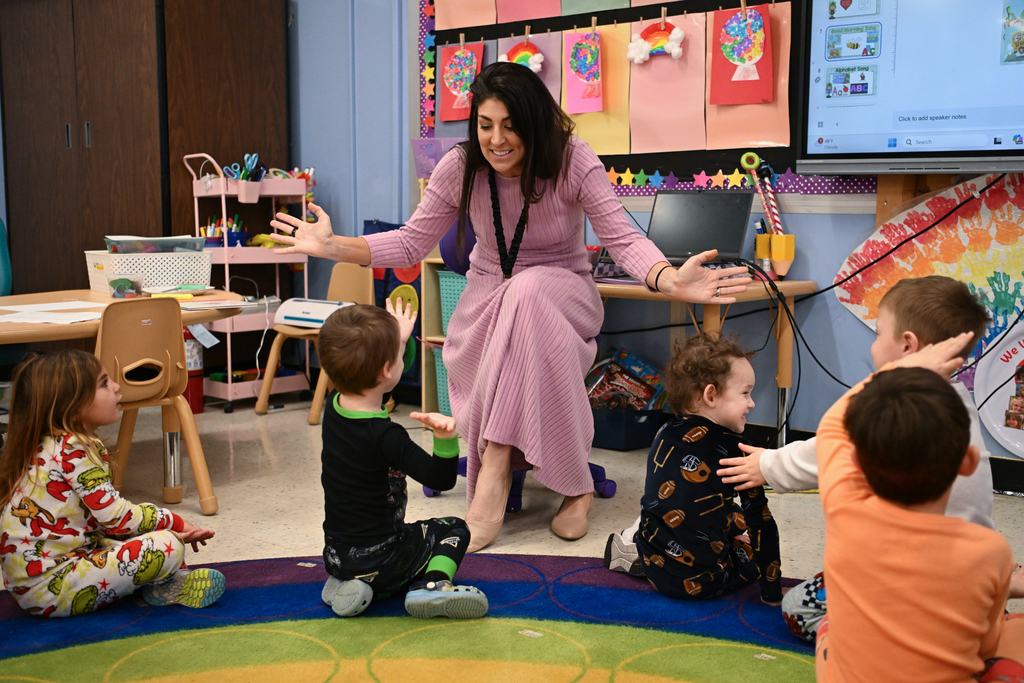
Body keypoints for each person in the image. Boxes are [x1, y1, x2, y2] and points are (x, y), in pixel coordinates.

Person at [271, 62, 751, 551]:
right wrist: (334, 247)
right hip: (485, 304)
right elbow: (411, 243)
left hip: (563, 293)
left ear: (534, 123)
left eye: (510, 125)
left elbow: (622, 237)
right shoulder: (459, 167)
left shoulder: (573, 160)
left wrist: (669, 279)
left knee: (528, 291)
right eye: (485, 125)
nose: (496, 139)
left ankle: (496, 466)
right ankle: (575, 486)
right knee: (519, 301)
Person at [812, 339, 1024, 681]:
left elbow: (831, 429)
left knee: (829, 627)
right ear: (969, 463)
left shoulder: (844, 514)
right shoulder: (990, 551)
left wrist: (901, 369)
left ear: (854, 462)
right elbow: (983, 647)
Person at [0, 351, 223, 618]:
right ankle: (164, 584)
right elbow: (117, 517)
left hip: (38, 585)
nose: (116, 387)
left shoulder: (46, 445)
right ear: (74, 404)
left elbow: (103, 521)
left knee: (137, 537)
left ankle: (162, 578)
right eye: (104, 383)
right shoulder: (74, 449)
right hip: (52, 590)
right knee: (167, 545)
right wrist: (172, 522)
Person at [316, 299, 488, 619]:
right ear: (386, 368)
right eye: (398, 355)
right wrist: (445, 439)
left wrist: (400, 340)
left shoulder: (333, 407)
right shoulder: (388, 436)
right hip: (384, 560)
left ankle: (348, 583)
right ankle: (432, 586)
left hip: (337, 556)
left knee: (367, 544)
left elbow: (384, 375)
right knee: (453, 528)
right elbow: (440, 480)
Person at [629, 332, 783, 604]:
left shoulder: (664, 431)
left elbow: (666, 497)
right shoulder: (738, 449)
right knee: (748, 540)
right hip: (704, 583)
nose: (752, 403)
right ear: (710, 395)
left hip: (655, 567)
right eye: (745, 393)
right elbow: (763, 526)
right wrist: (771, 593)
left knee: (701, 504)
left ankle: (630, 549)